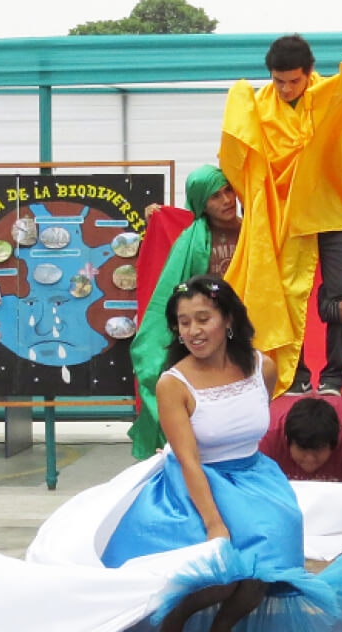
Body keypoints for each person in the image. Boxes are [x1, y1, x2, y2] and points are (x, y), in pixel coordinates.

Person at [102, 275, 342, 632]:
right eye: (184, 322)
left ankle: (222, 628)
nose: (193, 331)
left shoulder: (261, 367)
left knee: (266, 565)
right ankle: (177, 619)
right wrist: (215, 522)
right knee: (222, 574)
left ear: (227, 319)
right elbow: (188, 459)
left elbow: (248, 426)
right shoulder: (172, 384)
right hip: (197, 483)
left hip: (255, 477)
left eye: (203, 318)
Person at [220, 34, 342, 396]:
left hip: (332, 207)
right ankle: (294, 376)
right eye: (278, 81)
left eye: (293, 81)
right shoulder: (259, 106)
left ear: (309, 72)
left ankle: (333, 378)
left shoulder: (330, 95)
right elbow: (239, 156)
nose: (284, 88)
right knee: (279, 292)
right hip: (284, 215)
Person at [129, 164, 242, 459]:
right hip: (207, 341)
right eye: (214, 196)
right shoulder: (190, 240)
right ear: (201, 204)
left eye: (228, 190)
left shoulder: (255, 233)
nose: (226, 200)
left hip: (250, 335)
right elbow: (172, 293)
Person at [259, 394, 342, 570]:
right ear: (287, 440)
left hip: (338, 510)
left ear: (334, 443)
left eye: (318, 451)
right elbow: (252, 492)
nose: (309, 460)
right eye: (302, 450)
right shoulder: (268, 430)